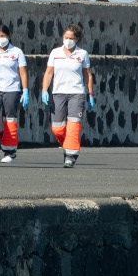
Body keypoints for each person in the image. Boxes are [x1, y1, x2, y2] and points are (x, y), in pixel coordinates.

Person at [40, 23, 94, 168]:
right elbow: (49, 72)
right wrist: (44, 90)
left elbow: (87, 75)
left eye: (71, 38)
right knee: (57, 128)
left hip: (76, 93)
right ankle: (68, 145)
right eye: (66, 37)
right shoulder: (55, 53)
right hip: (58, 93)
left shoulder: (82, 54)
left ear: (76, 39)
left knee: (73, 125)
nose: (68, 40)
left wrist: (90, 94)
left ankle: (70, 156)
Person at [0, 24, 30, 163]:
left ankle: (9, 152)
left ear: (9, 36)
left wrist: (25, 90)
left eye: (3, 36)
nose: (1, 39)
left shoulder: (17, 52)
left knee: (10, 122)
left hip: (12, 89)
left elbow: (23, 73)